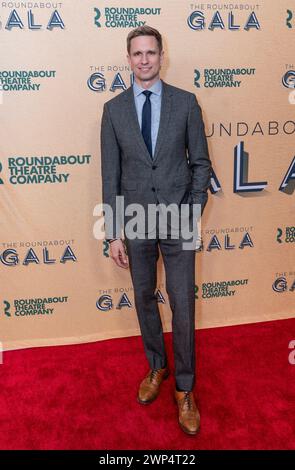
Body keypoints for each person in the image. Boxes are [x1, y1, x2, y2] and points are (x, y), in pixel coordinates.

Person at [100, 25, 212, 435]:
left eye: (151, 52)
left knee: (182, 305)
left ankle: (185, 388)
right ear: (128, 59)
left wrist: (192, 211)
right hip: (135, 223)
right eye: (137, 53)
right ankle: (156, 366)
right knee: (145, 299)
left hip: (179, 220)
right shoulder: (113, 110)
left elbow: (201, 165)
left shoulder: (186, 103)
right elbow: (110, 177)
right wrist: (114, 233)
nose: (144, 60)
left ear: (161, 55)